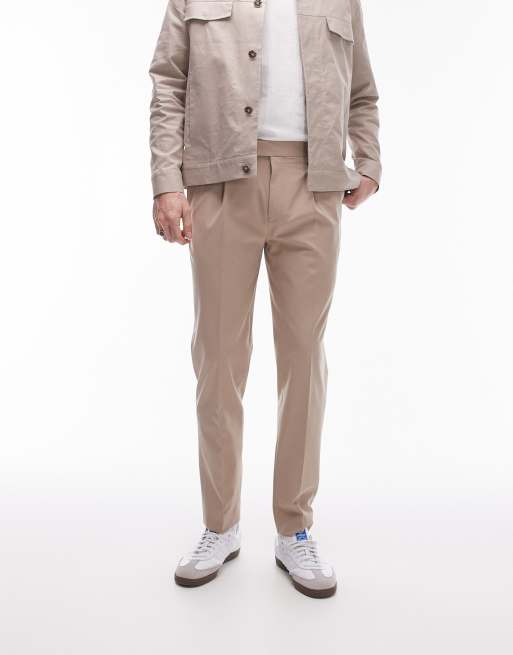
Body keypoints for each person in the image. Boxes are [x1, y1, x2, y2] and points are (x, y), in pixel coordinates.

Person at [149, 0, 381, 599]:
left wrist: (370, 160)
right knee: (218, 359)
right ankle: (219, 525)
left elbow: (362, 90)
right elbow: (168, 81)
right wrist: (167, 182)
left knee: (304, 360)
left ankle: (294, 529)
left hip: (314, 183)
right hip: (221, 181)